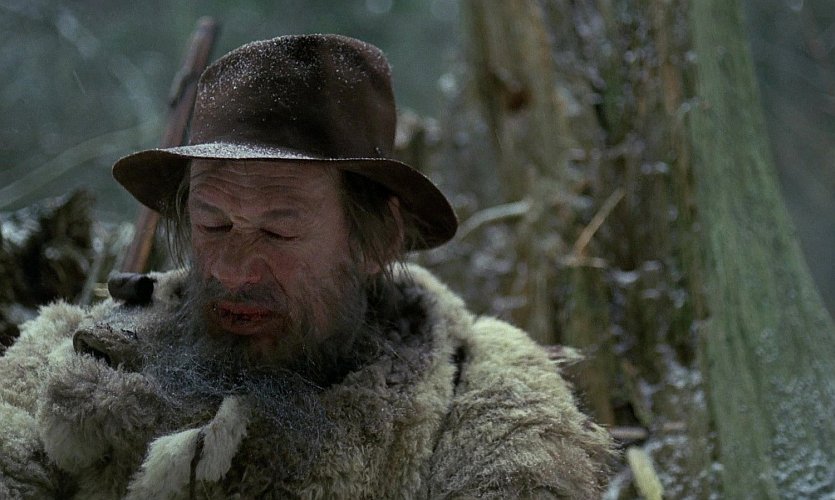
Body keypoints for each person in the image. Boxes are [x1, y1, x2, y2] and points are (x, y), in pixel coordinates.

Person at [0, 34, 612, 498]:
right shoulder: (74, 355)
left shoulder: (487, 400)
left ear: (377, 241)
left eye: (278, 230)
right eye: (213, 224)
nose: (234, 271)